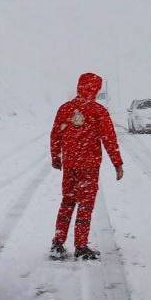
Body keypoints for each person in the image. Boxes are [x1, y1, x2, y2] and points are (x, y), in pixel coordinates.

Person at [49, 72, 123, 260]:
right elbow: (109, 139)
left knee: (67, 202)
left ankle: (57, 243)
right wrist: (117, 163)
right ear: (94, 89)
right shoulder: (98, 111)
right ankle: (80, 246)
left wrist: (56, 158)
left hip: (70, 165)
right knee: (85, 205)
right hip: (89, 166)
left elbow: (55, 135)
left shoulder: (65, 109)